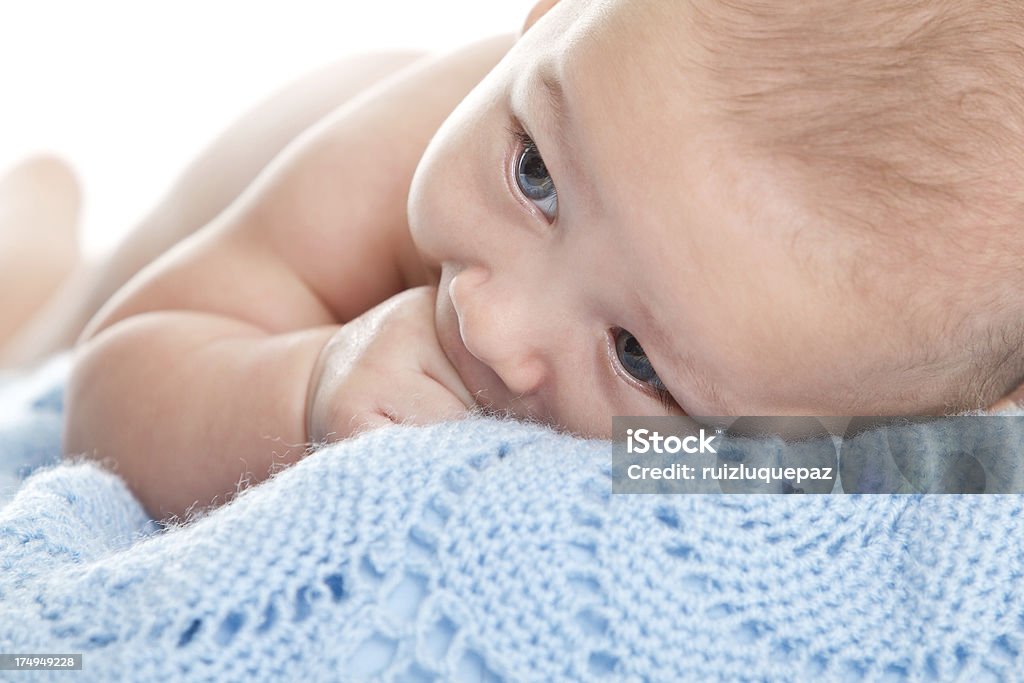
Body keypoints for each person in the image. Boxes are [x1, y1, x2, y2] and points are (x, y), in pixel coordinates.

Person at [27, 0, 1021, 519]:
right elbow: (119, 376)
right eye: (535, 174)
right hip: (260, 198)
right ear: (550, 11)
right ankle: (40, 230)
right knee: (43, 330)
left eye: (637, 356)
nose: (492, 326)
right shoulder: (417, 143)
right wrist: (304, 386)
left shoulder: (873, 401)